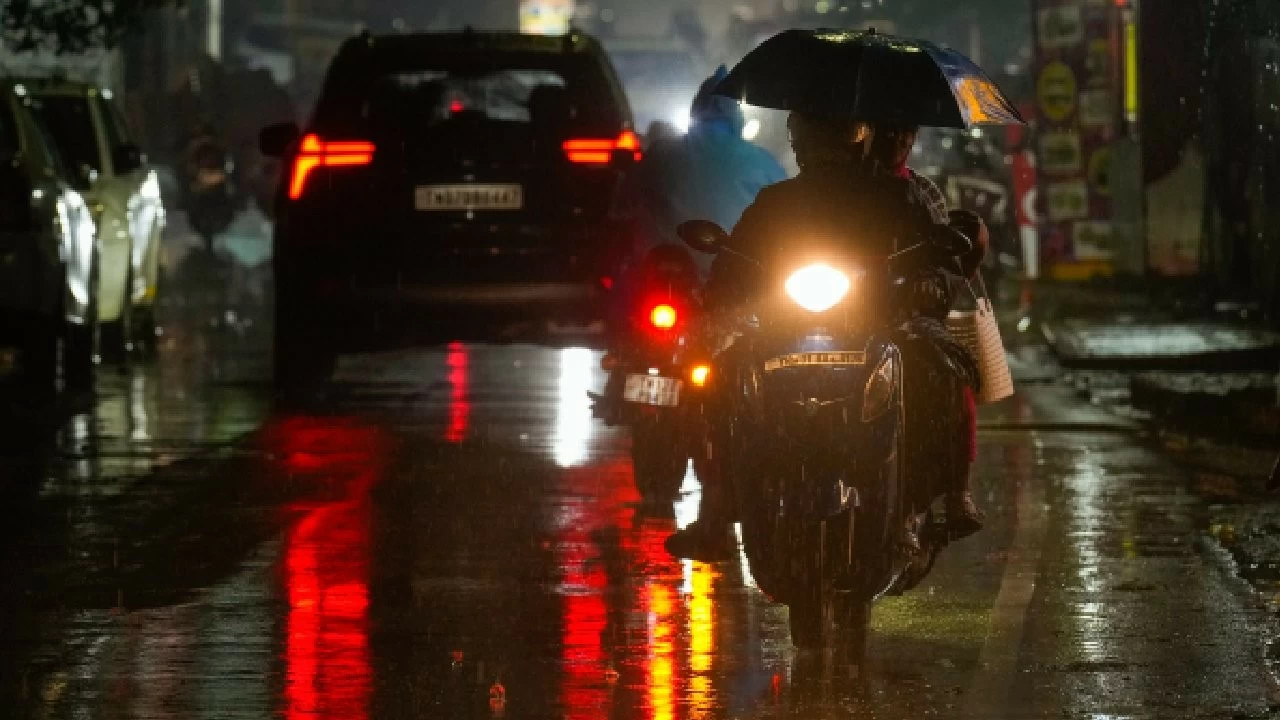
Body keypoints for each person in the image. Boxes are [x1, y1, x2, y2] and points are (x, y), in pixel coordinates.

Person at [665, 111, 989, 561]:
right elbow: (737, 261)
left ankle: (924, 502)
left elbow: (939, 263)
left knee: (942, 371)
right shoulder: (777, 200)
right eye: (806, 142)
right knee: (719, 377)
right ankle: (717, 506)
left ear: (855, 138)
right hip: (787, 326)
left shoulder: (900, 196)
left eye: (827, 138)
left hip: (882, 324)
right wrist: (721, 297)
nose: (816, 152)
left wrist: (924, 285)